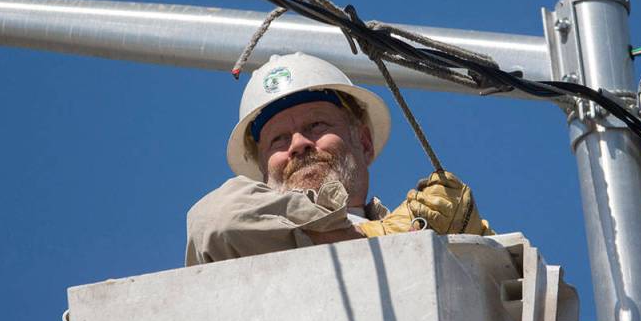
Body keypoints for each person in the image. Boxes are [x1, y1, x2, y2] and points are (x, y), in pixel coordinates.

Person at [185, 52, 491, 266]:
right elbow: (214, 222)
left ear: (365, 142)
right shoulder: (244, 247)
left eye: (316, 125)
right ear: (263, 171)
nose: (299, 144)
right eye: (278, 139)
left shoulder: (415, 230)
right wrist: (363, 237)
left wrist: (477, 247)